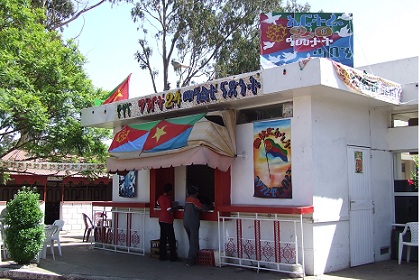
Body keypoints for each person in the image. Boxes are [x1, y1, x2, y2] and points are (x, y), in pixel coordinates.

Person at [183, 185, 204, 266]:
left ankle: (196, 257)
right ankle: (190, 260)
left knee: (191, 241)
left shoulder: (187, 200)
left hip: (185, 222)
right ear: (195, 193)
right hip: (193, 223)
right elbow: (202, 209)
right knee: (193, 242)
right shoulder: (195, 200)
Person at [156, 183, 178, 261]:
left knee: (163, 239)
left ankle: (162, 256)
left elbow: (157, 203)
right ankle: (173, 257)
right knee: (171, 239)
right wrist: (175, 208)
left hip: (161, 219)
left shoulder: (160, 197)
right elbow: (169, 210)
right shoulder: (167, 199)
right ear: (169, 191)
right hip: (167, 220)